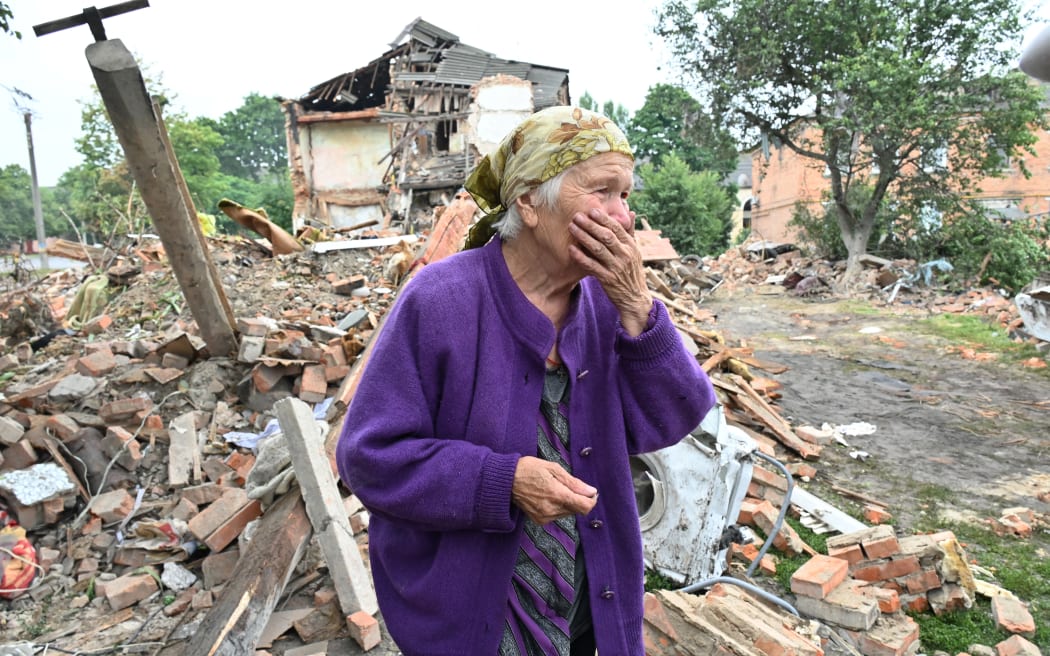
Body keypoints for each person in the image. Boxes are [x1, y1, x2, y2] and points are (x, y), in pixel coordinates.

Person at [335, 105, 717, 655]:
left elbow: (676, 414)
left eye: (625, 196)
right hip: (471, 620)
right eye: (602, 191)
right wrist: (502, 480)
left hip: (592, 605)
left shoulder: (610, 306)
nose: (623, 217)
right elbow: (370, 458)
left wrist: (639, 307)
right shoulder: (441, 301)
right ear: (528, 203)